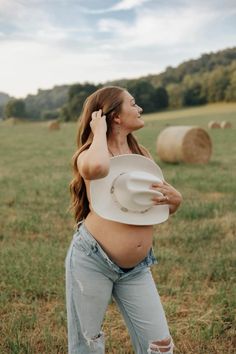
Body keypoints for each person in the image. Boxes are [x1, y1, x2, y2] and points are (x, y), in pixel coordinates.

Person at [65, 86, 182, 354]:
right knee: (89, 345)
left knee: (160, 345)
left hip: (137, 268)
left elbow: (158, 206)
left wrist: (176, 201)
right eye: (133, 103)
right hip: (92, 261)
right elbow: (98, 169)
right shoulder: (90, 155)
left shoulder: (143, 157)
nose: (139, 108)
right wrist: (99, 133)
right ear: (115, 116)